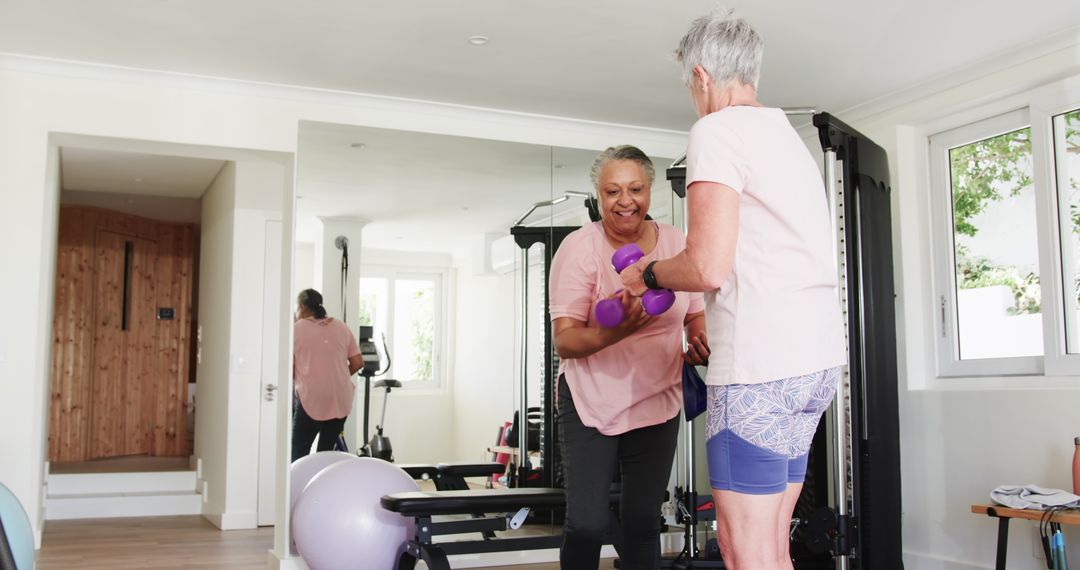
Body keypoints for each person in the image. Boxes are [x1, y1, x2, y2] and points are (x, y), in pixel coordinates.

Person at [619, 11, 846, 570]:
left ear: (701, 76)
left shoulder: (716, 130)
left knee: (746, 553)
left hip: (759, 368)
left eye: (689, 87)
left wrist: (647, 274)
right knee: (773, 548)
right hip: (815, 364)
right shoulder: (786, 135)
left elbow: (706, 266)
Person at [549, 145, 709, 570]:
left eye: (635, 189)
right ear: (598, 194)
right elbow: (565, 340)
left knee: (642, 520)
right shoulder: (578, 248)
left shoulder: (675, 243)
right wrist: (613, 332)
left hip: (658, 397)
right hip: (591, 398)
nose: (625, 201)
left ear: (649, 190)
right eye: (612, 191)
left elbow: (694, 312)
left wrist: (698, 338)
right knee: (587, 524)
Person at [292, 288, 364, 463]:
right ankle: (323, 479)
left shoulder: (296, 329)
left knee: (298, 454)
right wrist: (337, 377)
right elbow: (357, 363)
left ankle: (298, 482)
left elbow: (289, 368)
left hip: (313, 398)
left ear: (302, 307)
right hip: (340, 398)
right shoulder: (341, 326)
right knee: (325, 454)